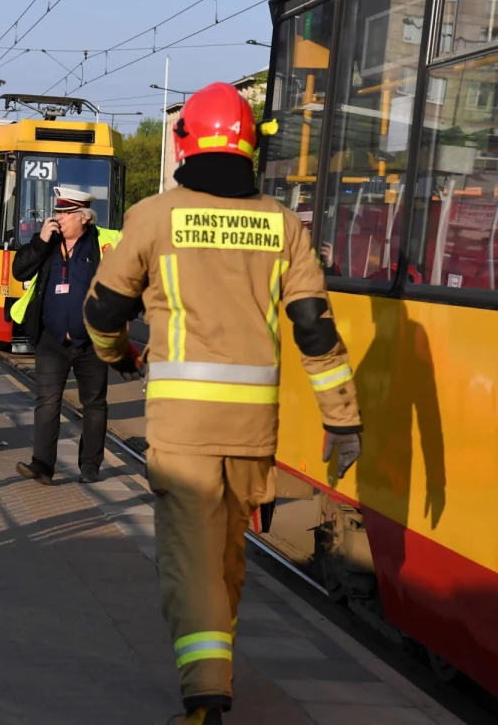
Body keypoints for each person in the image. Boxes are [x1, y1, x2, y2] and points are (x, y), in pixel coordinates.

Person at [82, 82, 364, 725]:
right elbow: (316, 330)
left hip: (184, 427)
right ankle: (216, 670)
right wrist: (343, 420)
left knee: (192, 559)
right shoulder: (283, 225)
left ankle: (205, 693)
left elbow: (102, 310)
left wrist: (116, 353)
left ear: (182, 143)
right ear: (250, 149)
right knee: (228, 554)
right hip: (252, 427)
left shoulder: (154, 217)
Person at [10, 188, 124, 485]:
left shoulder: (105, 242)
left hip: (93, 340)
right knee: (47, 402)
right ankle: (42, 465)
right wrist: (40, 240)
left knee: (94, 405)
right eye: (57, 212)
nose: (57, 218)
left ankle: (90, 466)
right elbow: (20, 271)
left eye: (64, 213)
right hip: (52, 338)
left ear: (83, 217)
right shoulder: (47, 243)